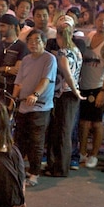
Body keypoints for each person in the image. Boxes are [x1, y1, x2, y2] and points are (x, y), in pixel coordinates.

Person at [11, 29, 56, 187]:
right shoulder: (26, 60)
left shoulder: (49, 59)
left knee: (36, 142)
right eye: (30, 41)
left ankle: (34, 174)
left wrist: (35, 94)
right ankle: (18, 171)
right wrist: (13, 100)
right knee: (20, 141)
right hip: (23, 106)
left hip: (40, 107)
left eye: (37, 40)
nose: (33, 44)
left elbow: (45, 80)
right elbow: (19, 81)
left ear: (44, 43)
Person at [44, 17, 84, 177]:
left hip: (65, 94)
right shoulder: (76, 50)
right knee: (63, 131)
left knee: (62, 131)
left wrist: (75, 90)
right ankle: (58, 165)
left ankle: (60, 167)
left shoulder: (63, 52)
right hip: (70, 95)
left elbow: (67, 73)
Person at [78, 10, 104, 170]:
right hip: (83, 86)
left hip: (97, 87)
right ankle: (81, 152)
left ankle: (93, 154)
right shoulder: (89, 37)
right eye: (100, 20)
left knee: (96, 123)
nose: (103, 23)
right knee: (83, 123)